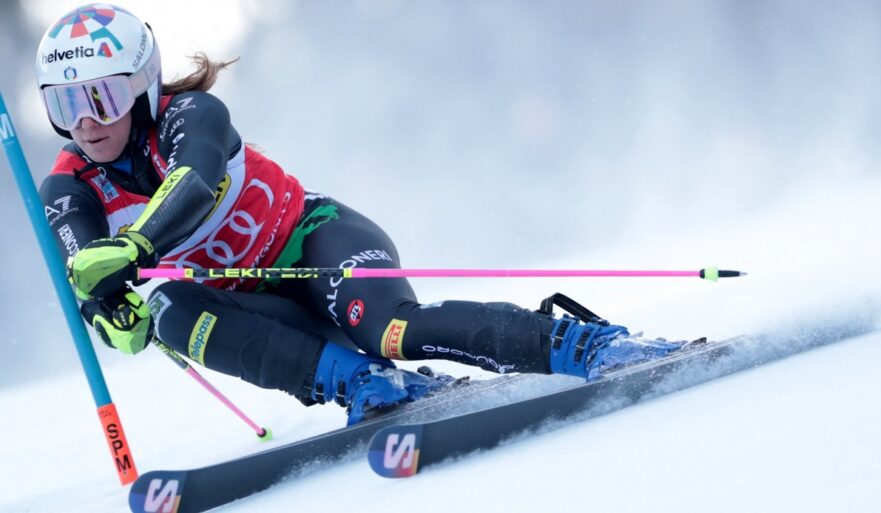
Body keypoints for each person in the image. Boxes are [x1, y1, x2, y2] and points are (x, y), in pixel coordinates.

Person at [36, 4, 685, 425]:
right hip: (260, 306)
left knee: (391, 328)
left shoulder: (190, 116)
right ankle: (366, 384)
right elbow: (93, 278)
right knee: (170, 314)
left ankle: (583, 343)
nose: (87, 122)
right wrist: (112, 311)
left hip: (315, 245)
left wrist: (137, 249)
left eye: (103, 96)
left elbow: (195, 181)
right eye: (66, 105)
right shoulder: (68, 186)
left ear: (144, 84)